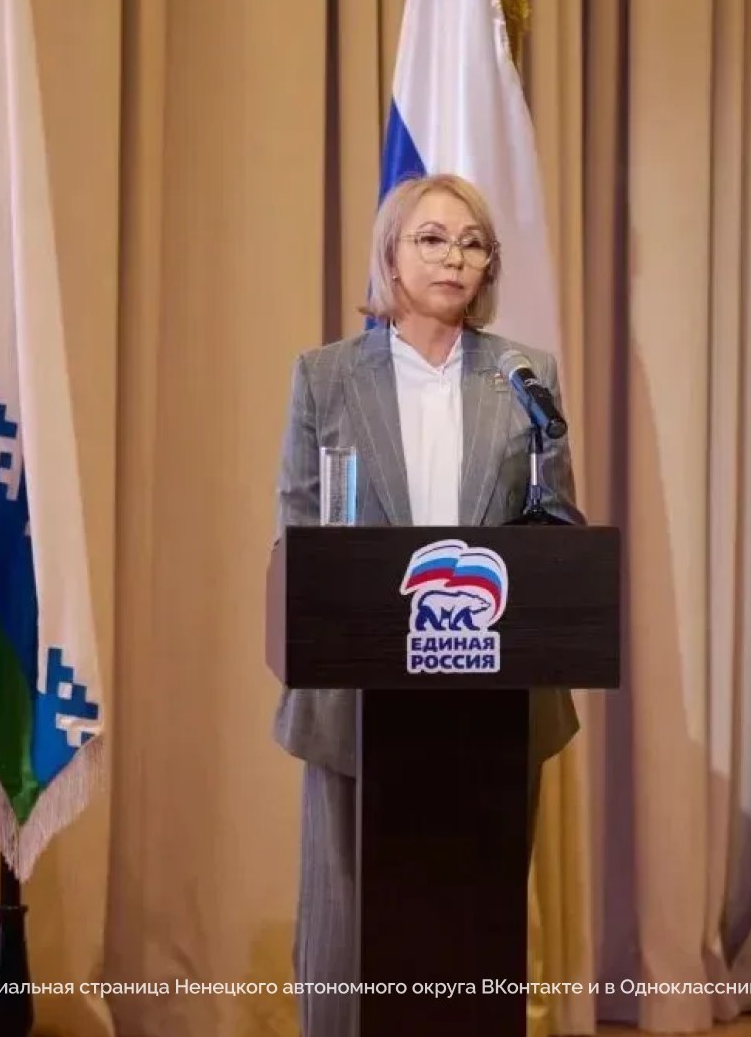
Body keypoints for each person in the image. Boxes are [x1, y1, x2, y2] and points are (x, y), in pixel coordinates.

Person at [271, 172, 579, 1037]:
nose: (455, 257)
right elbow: (297, 535)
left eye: (473, 243)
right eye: (433, 239)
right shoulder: (326, 378)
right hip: (357, 707)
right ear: (391, 255)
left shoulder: (524, 376)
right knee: (349, 947)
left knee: (474, 945)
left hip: (492, 707)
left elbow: (558, 530)